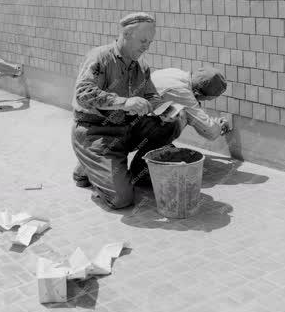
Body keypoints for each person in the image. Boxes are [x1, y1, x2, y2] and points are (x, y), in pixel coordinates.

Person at [71, 12, 185, 210]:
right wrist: (124, 103)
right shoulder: (100, 57)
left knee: (172, 124)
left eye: (150, 42)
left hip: (126, 128)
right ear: (126, 35)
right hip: (96, 132)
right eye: (143, 40)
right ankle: (89, 167)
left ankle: (138, 171)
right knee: (121, 200)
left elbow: (151, 95)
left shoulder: (140, 64)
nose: (147, 46)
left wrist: (164, 110)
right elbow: (84, 93)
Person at [151, 66, 230, 140]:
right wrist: (219, 126)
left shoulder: (176, 73)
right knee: (181, 115)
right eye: (207, 99)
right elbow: (210, 132)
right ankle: (153, 145)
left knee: (177, 111)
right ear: (199, 94)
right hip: (142, 127)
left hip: (143, 116)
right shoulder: (182, 92)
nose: (205, 101)